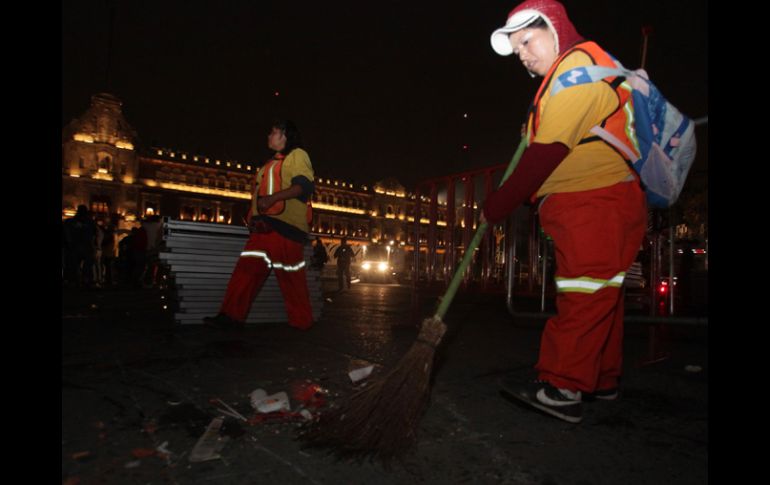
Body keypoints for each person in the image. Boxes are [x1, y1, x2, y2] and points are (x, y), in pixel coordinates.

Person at [486, 0, 647, 423]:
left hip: (593, 199)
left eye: (527, 40)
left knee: (582, 294)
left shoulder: (575, 69)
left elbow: (545, 155)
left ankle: (563, 386)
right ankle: (602, 378)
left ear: (555, 27)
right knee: (601, 294)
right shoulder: (573, 73)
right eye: (516, 50)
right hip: (602, 200)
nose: (522, 54)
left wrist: (498, 204)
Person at [204, 120, 315, 330]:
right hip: (263, 228)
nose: (268, 136)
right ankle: (230, 316)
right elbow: (258, 195)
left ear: (285, 135)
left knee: (291, 278)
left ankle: (302, 322)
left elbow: (303, 187)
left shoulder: (298, 155)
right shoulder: (268, 165)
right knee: (245, 271)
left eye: (273, 132)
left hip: (286, 227)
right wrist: (252, 217)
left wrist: (273, 199)